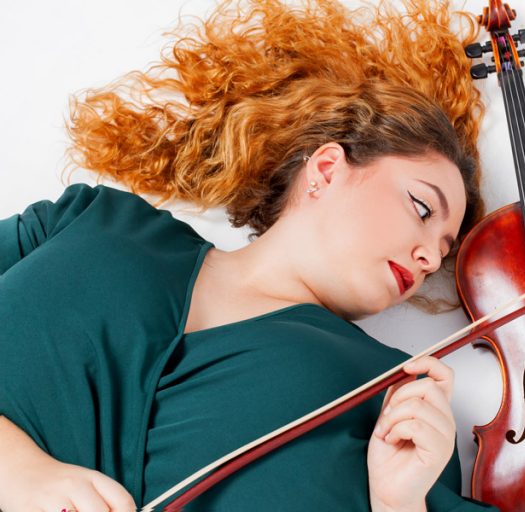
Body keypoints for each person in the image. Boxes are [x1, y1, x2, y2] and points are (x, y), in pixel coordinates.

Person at [0, 0, 499, 510]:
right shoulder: (93, 222)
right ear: (326, 170)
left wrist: (400, 506)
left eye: (443, 251)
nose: (429, 260)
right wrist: (15, 468)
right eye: (421, 208)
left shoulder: (400, 402)